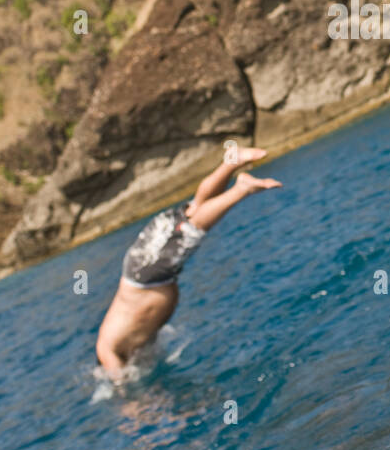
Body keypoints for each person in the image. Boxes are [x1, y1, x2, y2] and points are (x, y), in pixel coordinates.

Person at [95, 149, 281, 377]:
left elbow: (119, 381)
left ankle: (242, 189)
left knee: (191, 228)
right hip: (145, 269)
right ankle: (232, 162)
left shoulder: (106, 349)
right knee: (195, 209)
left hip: (144, 270)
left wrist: (129, 396)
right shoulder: (134, 345)